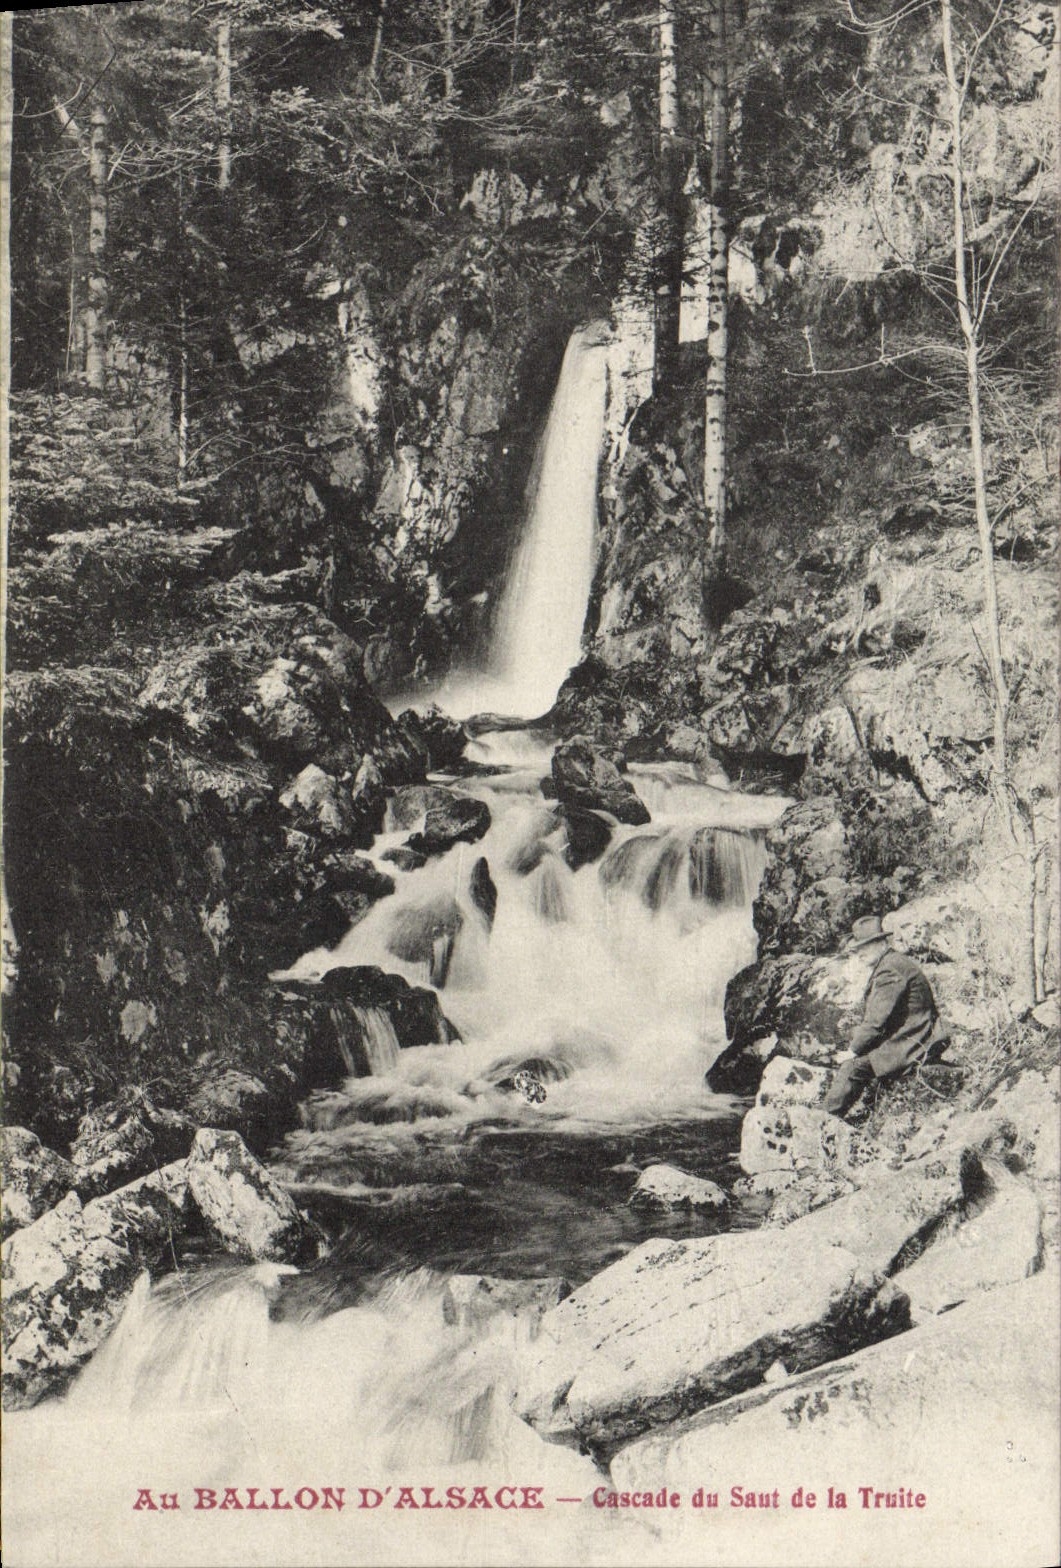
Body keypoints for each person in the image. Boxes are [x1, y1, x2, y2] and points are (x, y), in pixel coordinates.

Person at [823, 914, 944, 1119]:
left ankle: (824, 1118)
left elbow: (876, 1021)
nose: (859, 954)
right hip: (914, 1031)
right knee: (856, 1043)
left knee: (853, 1067)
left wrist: (852, 1052)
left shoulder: (889, 969)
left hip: (913, 1040)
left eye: (864, 946)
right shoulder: (892, 961)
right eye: (857, 948)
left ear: (880, 943)